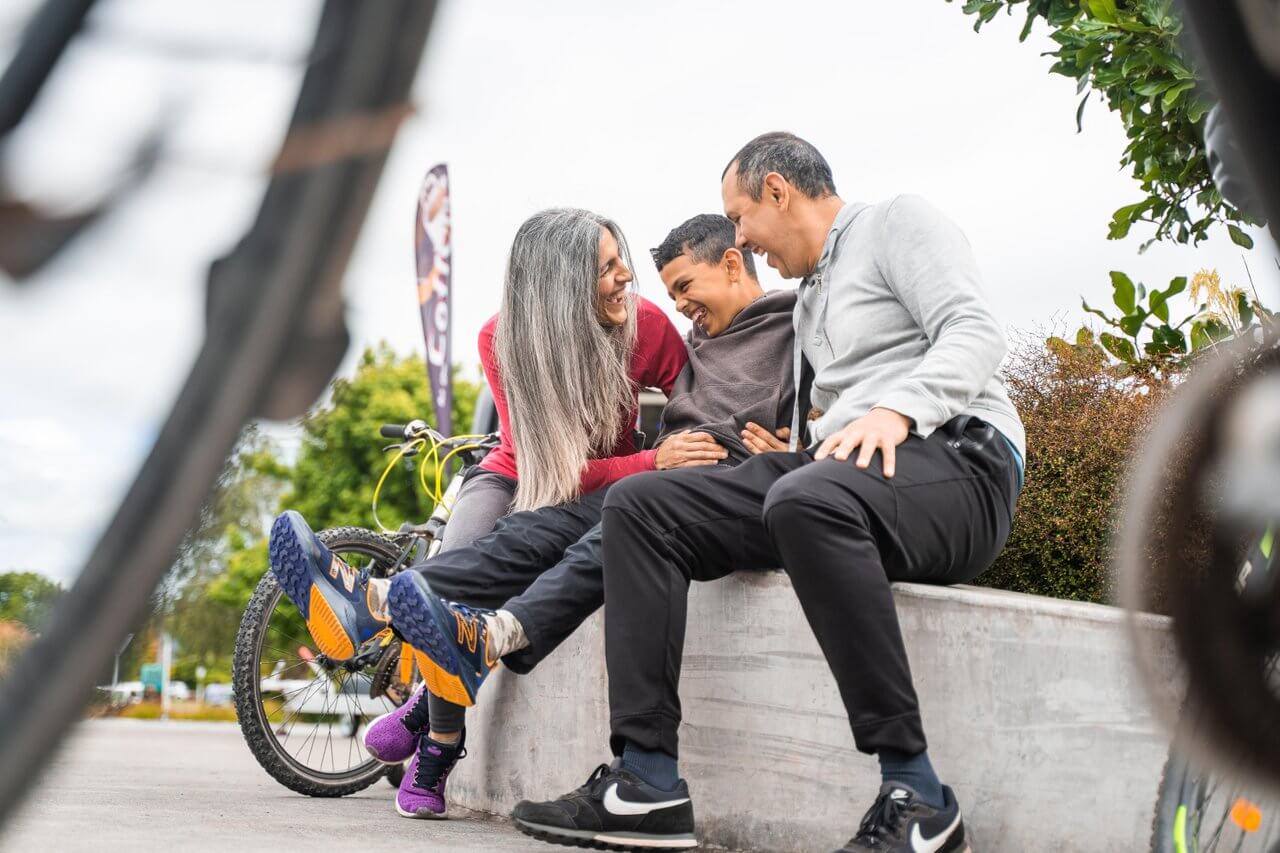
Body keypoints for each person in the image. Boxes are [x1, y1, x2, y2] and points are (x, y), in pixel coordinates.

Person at [511, 132, 1025, 853]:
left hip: (962, 459)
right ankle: (646, 782)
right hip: (845, 474)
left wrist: (897, 408)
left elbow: (973, 331)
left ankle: (919, 793)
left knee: (804, 498)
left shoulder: (896, 222)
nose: (742, 238)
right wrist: (801, 450)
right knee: (644, 505)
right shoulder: (808, 302)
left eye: (742, 216)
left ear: (778, 190)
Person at [269, 211, 796, 821]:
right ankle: (439, 690)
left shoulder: (690, 328)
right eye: (608, 267)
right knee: (488, 537)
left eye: (680, 288)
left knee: (569, 532)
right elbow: (564, 469)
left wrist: (781, 451)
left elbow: (725, 403)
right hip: (541, 470)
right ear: (564, 286)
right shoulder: (508, 340)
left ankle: (398, 636)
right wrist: (657, 459)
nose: (643, 286)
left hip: (652, 485)